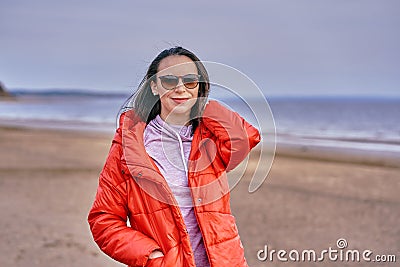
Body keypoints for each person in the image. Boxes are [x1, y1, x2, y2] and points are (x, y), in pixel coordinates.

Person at [88, 46, 261, 267]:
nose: (180, 88)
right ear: (154, 86)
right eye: (169, 81)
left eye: (190, 81)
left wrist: (203, 106)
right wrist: (152, 257)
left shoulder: (210, 140)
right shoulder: (130, 147)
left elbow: (245, 137)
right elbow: (104, 220)